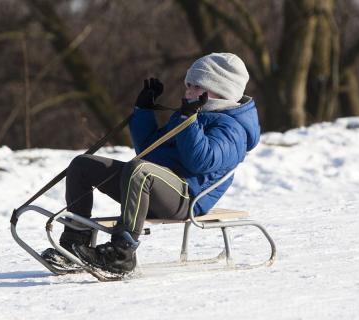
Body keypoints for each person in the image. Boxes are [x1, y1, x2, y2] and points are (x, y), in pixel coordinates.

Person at [41, 52, 260, 276]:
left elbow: (201, 161)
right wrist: (144, 110)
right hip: (151, 185)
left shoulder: (232, 129)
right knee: (83, 165)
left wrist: (188, 121)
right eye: (189, 84)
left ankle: (121, 254)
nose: (189, 91)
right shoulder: (192, 115)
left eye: (197, 86)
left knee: (140, 171)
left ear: (221, 90)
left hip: (186, 198)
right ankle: (74, 243)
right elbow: (149, 151)